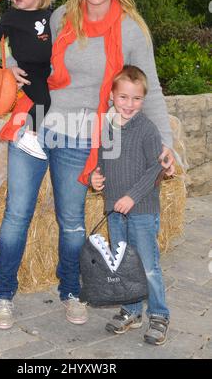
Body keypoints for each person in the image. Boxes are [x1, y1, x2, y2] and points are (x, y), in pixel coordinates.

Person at [0, 0, 175, 330]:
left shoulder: (131, 29)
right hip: (36, 121)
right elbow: (19, 43)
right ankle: (3, 294)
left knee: (71, 221)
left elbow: (152, 89)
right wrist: (7, 69)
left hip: (80, 136)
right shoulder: (60, 18)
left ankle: (70, 291)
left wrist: (166, 146)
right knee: (16, 215)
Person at [91, 65, 170, 346]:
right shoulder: (109, 127)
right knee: (124, 264)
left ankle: (159, 314)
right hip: (115, 210)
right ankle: (132, 311)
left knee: (148, 265)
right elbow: (103, 161)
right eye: (123, 97)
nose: (129, 104)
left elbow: (156, 169)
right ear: (112, 96)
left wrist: (132, 197)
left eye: (136, 98)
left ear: (143, 100)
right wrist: (96, 178)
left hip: (142, 211)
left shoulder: (147, 129)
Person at [0, 0, 54, 159]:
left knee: (50, 98)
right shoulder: (12, 17)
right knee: (43, 100)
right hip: (27, 71)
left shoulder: (50, 16)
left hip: (46, 69)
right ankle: (30, 136)